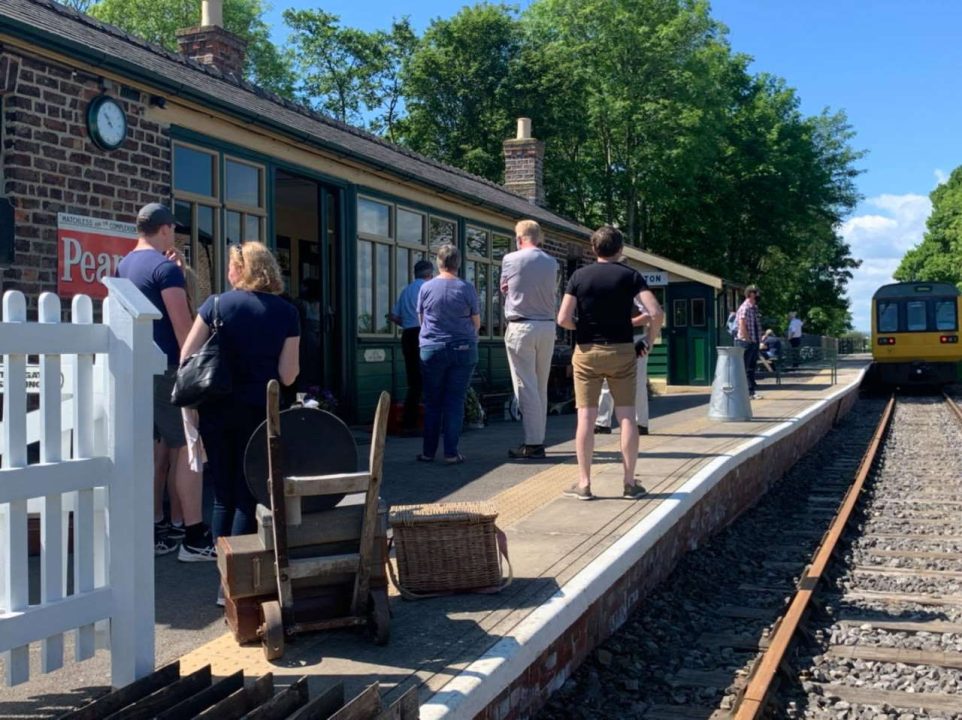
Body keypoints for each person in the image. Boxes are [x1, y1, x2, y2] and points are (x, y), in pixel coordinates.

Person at [180, 242, 300, 560]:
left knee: (222, 495)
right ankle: (236, 582)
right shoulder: (287, 312)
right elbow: (288, 376)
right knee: (248, 495)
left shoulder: (215, 305)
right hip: (260, 412)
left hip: (216, 409)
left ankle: (223, 577)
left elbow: (187, 356)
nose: (228, 272)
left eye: (231, 266)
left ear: (241, 269)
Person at [117, 203, 214, 559]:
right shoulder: (164, 269)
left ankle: (157, 526)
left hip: (137, 367)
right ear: (165, 229)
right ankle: (193, 535)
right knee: (189, 452)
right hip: (170, 368)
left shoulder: (124, 265)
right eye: (173, 229)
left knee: (155, 451)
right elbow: (183, 328)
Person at [556, 226, 663, 501]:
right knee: (627, 416)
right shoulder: (631, 276)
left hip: (587, 352)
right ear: (620, 249)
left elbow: (563, 318)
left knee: (586, 418)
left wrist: (581, 326)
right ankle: (629, 483)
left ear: (594, 249)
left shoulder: (579, 276)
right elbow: (655, 312)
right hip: (622, 352)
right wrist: (647, 342)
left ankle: (584, 483)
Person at [415, 244, 480, 464]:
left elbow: (422, 320)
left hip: (431, 349)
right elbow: (476, 321)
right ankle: (451, 453)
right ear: (458, 264)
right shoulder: (467, 288)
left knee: (433, 402)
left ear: (438, 262)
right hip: (462, 348)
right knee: (455, 400)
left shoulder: (425, 288)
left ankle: (428, 452)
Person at [500, 219, 558, 459]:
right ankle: (538, 438)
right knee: (540, 385)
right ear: (539, 237)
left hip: (521, 326)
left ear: (519, 238)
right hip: (547, 326)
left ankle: (533, 443)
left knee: (525, 386)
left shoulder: (510, 259)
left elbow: (504, 287)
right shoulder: (552, 262)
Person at [389, 259, 434, 435]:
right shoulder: (428, 288)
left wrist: (406, 321)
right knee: (429, 376)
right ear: (429, 274)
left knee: (413, 380)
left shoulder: (406, 290)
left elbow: (393, 316)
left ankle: (410, 419)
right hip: (424, 333)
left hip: (408, 334)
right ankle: (429, 418)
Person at [596, 303, 653, 435]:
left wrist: (627, 322)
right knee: (607, 379)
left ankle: (641, 423)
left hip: (635, 337)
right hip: (612, 337)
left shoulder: (635, 285)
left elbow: (650, 313)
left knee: (638, 381)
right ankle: (602, 423)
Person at [735, 285, 764, 400]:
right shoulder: (745, 307)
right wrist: (748, 339)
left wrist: (758, 338)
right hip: (746, 342)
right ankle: (747, 392)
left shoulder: (754, 308)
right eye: (756, 293)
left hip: (754, 341)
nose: (758, 295)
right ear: (751, 294)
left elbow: (756, 324)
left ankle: (751, 391)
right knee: (745, 367)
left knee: (751, 367)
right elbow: (742, 324)